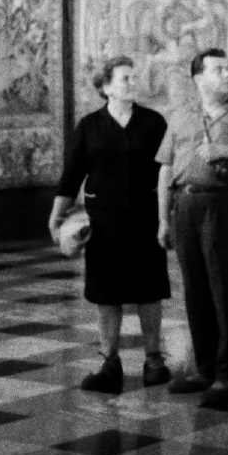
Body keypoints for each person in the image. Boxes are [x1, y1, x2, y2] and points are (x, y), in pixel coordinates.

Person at [156, 48, 228, 408]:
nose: (226, 75)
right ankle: (204, 369)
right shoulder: (181, 116)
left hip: (225, 205)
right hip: (186, 204)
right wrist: (163, 218)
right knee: (196, 290)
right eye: (218, 70)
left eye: (227, 69)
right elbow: (165, 167)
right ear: (199, 79)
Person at [49, 56, 171, 394]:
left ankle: (154, 359)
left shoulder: (153, 123)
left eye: (133, 77)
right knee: (107, 291)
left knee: (150, 288)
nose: (132, 83)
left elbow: (167, 172)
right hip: (104, 221)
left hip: (146, 215)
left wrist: (167, 217)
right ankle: (109, 362)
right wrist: (56, 215)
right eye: (124, 78)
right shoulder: (89, 126)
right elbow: (71, 175)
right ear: (105, 87)